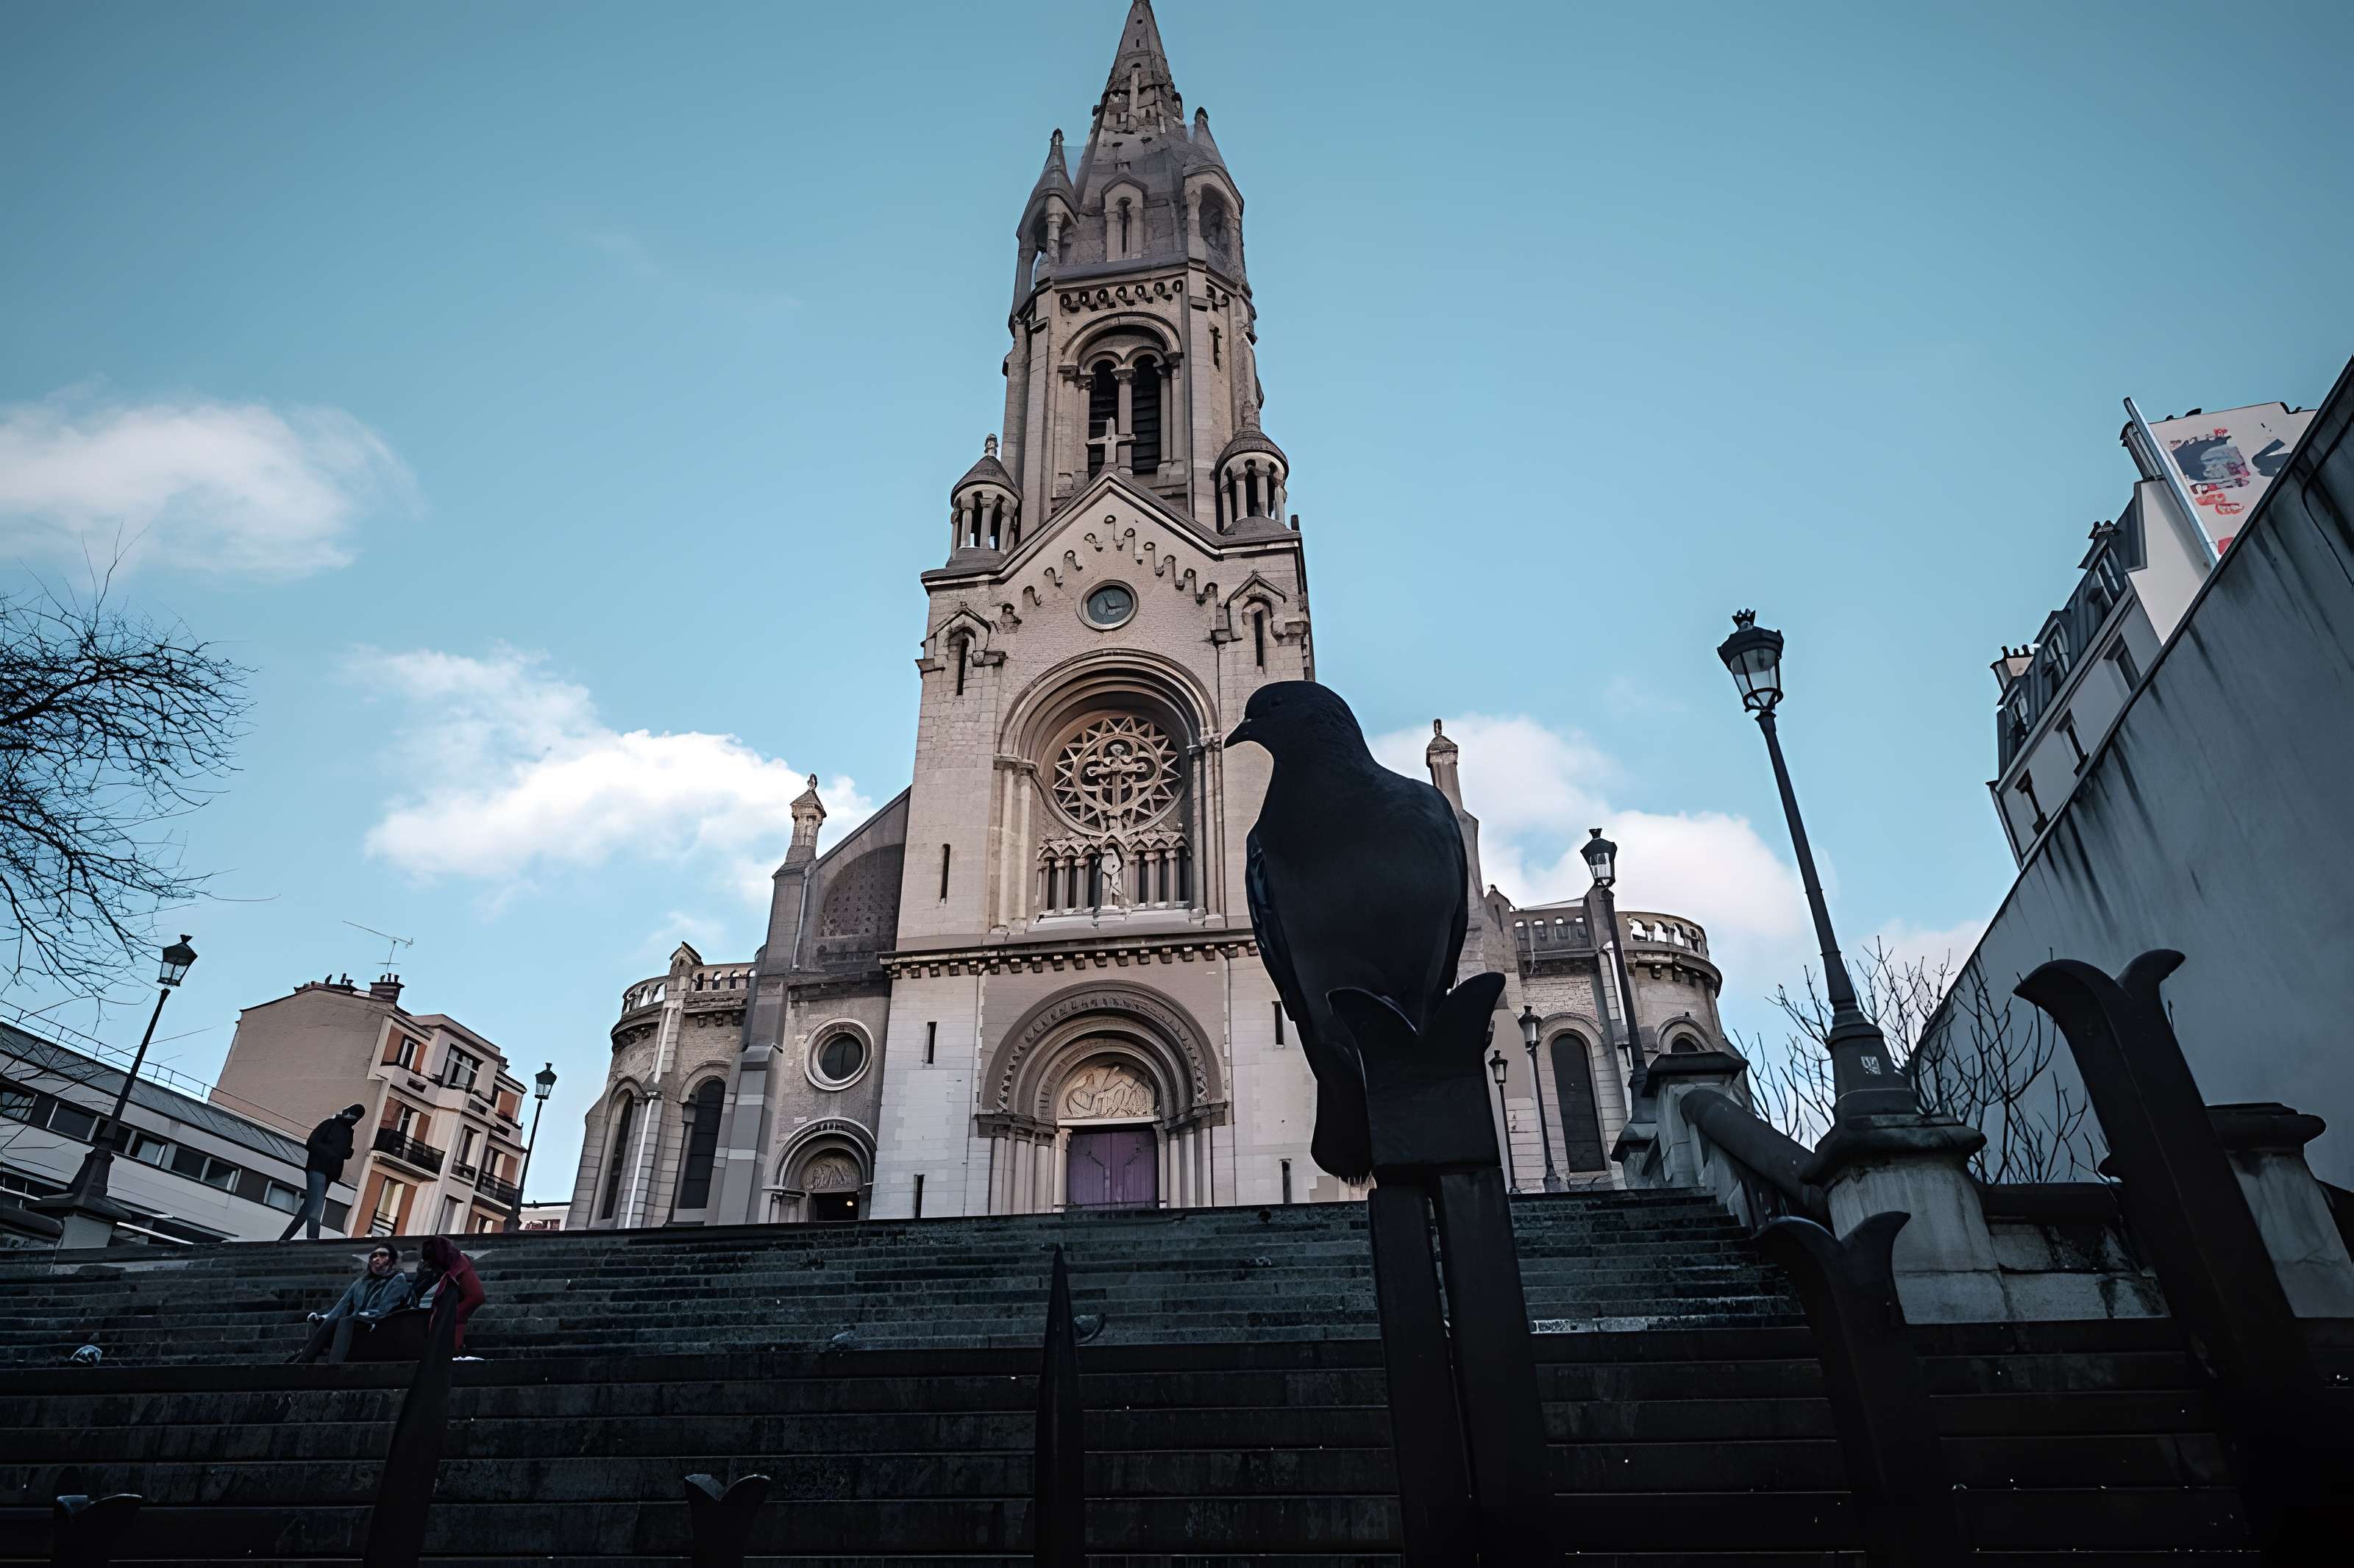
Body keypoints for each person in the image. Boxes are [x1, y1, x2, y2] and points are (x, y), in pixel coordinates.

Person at [293, 1242, 413, 1364]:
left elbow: (386, 1310)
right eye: (374, 1256)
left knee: (347, 1321)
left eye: (383, 1255)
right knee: (332, 1320)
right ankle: (304, 1360)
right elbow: (342, 1305)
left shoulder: (398, 1280)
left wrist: (363, 1316)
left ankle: (334, 1364)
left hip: (380, 1325)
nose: (377, 1259)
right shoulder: (361, 1282)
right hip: (357, 1324)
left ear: (391, 1261)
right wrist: (324, 1318)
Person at [280, 1104, 366, 1241]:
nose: (352, 1118)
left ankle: (297, 1240)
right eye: (352, 1115)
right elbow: (312, 1143)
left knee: (313, 1205)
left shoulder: (349, 1133)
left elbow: (342, 1151)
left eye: (356, 1117)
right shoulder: (330, 1124)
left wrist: (346, 1153)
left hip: (330, 1174)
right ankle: (305, 1240)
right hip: (317, 1168)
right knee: (314, 1204)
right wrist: (331, 1153)